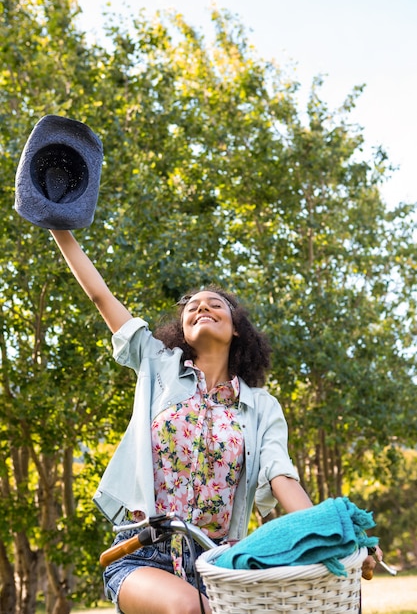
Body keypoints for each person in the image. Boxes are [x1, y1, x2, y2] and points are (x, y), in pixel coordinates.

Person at [49, 229, 380, 614]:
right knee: (191, 610)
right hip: (142, 554)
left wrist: (333, 536)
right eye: (192, 306)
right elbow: (100, 295)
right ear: (184, 330)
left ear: (236, 327)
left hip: (220, 565)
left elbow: (282, 478)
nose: (202, 306)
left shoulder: (262, 407)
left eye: (215, 304)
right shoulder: (157, 366)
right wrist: (59, 226)